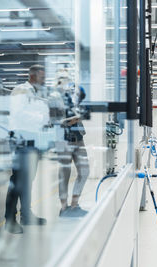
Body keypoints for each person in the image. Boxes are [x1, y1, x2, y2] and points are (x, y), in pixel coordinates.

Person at [4, 65, 48, 234]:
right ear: (32, 76)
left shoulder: (38, 94)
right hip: (21, 140)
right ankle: (9, 219)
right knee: (18, 180)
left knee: (28, 180)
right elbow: (18, 113)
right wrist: (41, 118)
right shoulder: (20, 91)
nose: (43, 81)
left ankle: (26, 215)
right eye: (41, 77)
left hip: (33, 140)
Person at [51, 72, 90, 218]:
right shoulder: (53, 98)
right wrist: (69, 121)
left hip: (78, 138)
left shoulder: (72, 97)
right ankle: (63, 208)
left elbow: (83, 97)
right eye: (64, 81)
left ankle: (74, 204)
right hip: (63, 140)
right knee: (64, 174)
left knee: (84, 171)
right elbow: (53, 120)